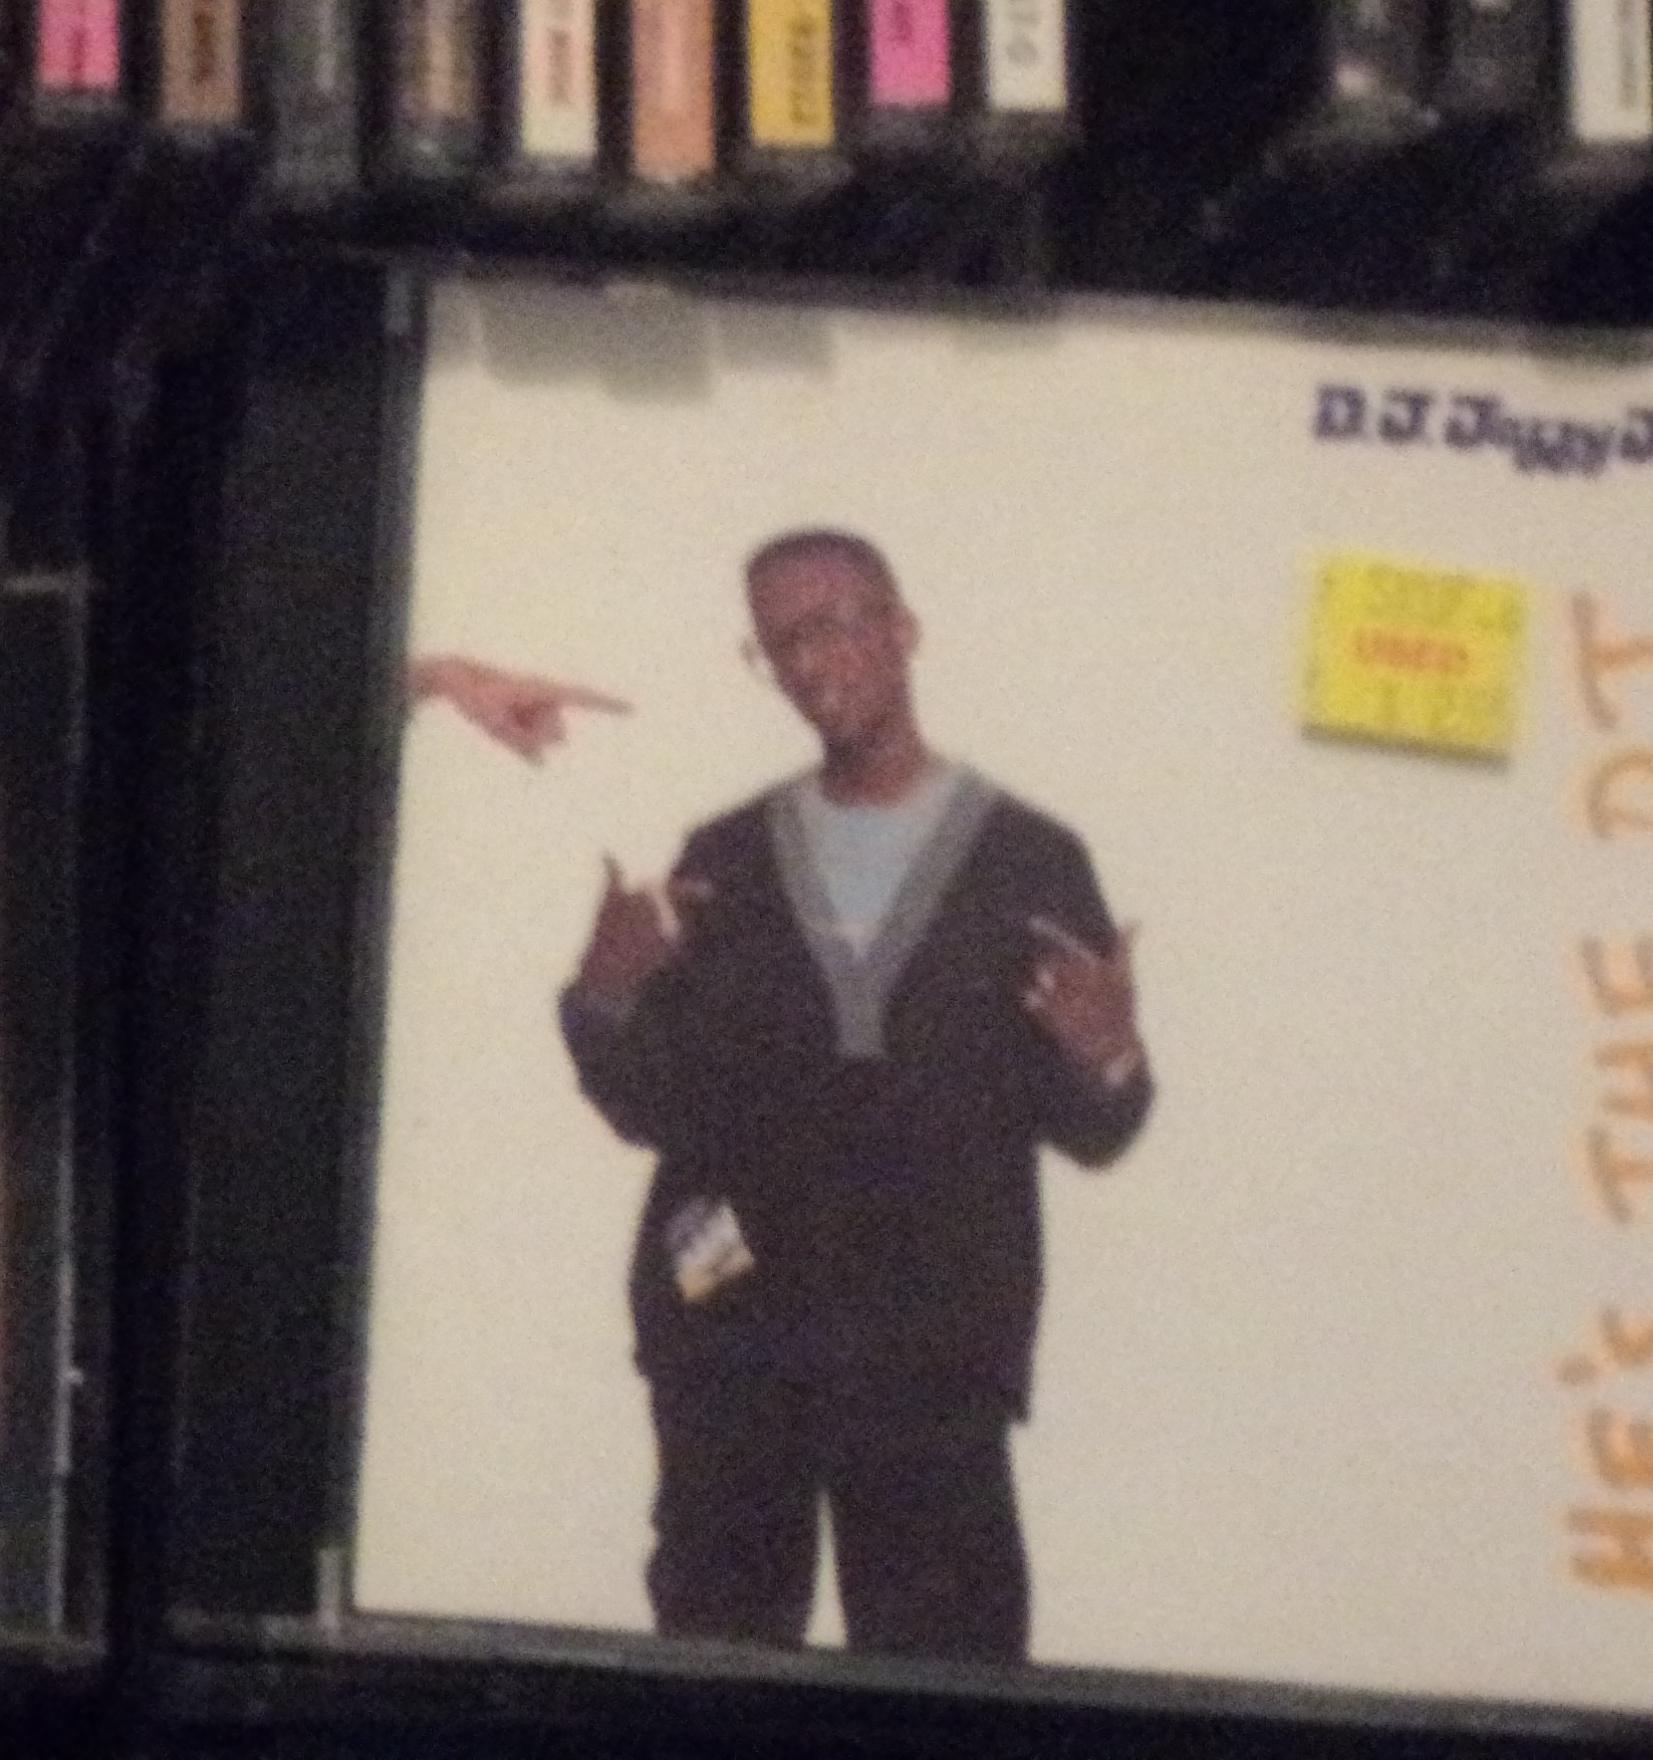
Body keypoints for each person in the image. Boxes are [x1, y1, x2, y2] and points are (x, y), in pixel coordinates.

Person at [411, 529, 1152, 1665]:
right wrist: (604, 999)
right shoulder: (728, 859)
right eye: (781, 642)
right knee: (713, 1674)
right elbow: (653, 1106)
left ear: (903, 630)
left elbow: (1096, 1128)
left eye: (836, 623)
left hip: (934, 1357)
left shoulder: (1029, 863)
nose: (811, 661)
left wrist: (1107, 1056)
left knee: (948, 1683)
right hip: (728, 1336)